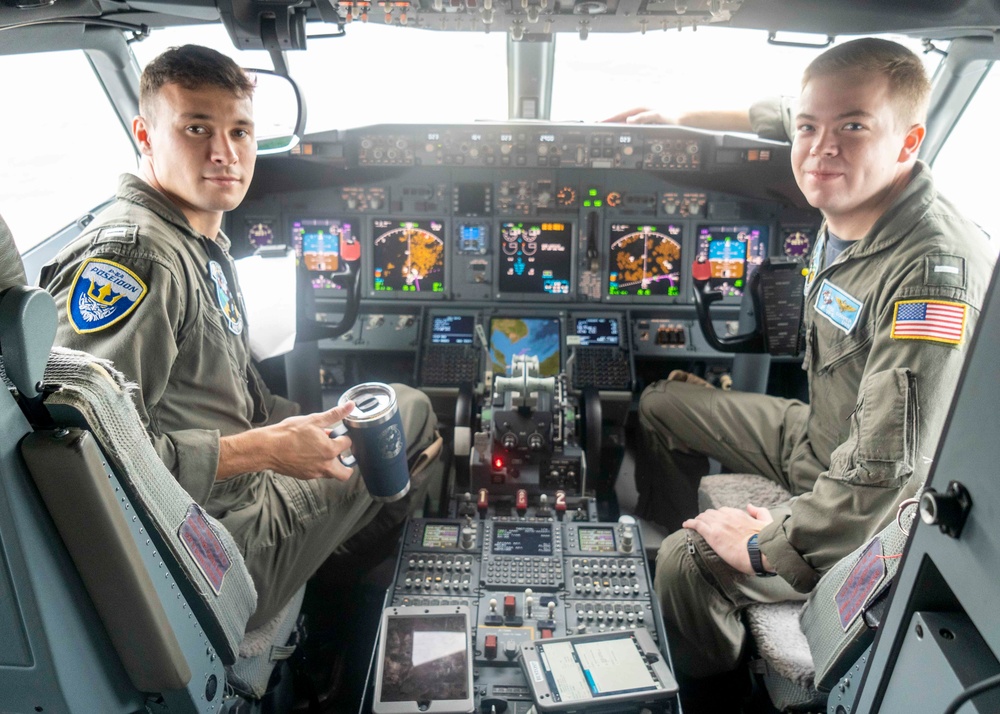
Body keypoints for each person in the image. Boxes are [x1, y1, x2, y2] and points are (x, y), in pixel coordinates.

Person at [636, 37, 997, 709]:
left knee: (687, 563)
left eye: (853, 127)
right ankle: (659, 538)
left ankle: (706, 682)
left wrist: (764, 547)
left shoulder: (930, 274)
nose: (820, 147)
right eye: (810, 127)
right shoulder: (847, 179)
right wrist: (682, 115)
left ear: (909, 140)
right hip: (819, 435)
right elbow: (784, 114)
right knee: (658, 404)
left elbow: (883, 475)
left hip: (870, 510)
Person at [39, 45, 442, 631]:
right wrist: (269, 449)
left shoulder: (188, 239)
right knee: (410, 412)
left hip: (220, 500)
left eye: (240, 130)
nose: (224, 153)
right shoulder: (138, 258)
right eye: (196, 128)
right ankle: (337, 613)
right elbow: (92, 462)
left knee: (358, 413)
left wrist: (286, 431)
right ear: (145, 135)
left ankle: (320, 571)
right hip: (214, 541)